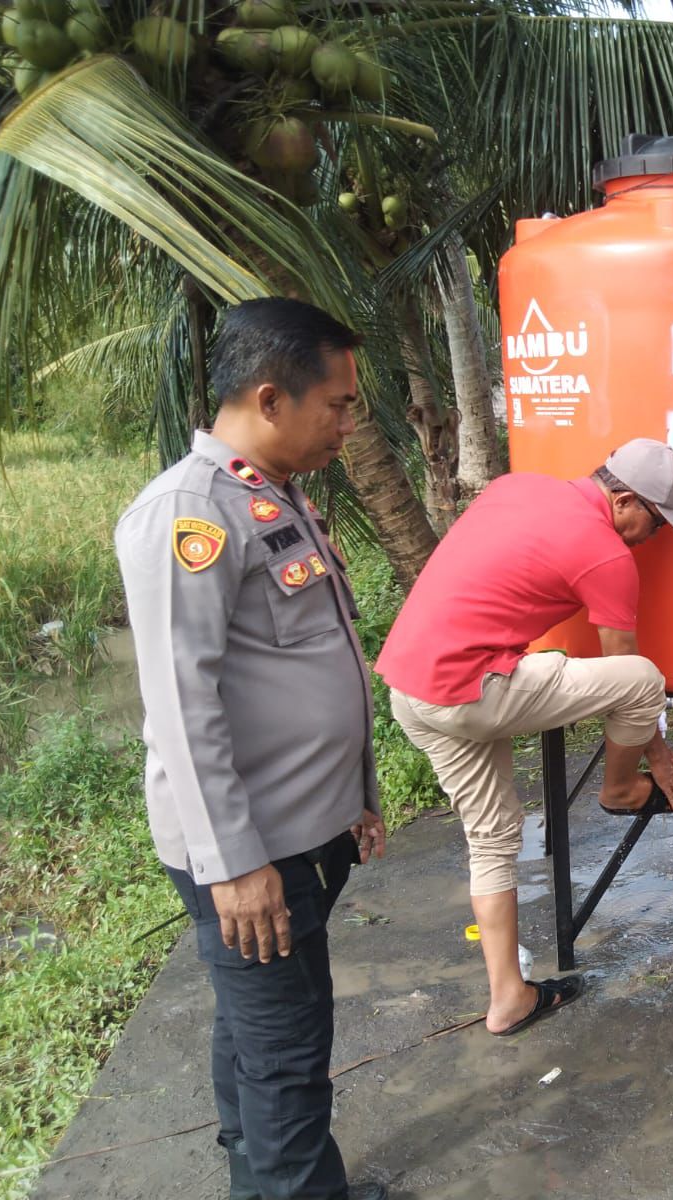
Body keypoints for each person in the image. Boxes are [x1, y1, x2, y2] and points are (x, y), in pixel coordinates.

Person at [115, 298, 388, 1199]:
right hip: (253, 849)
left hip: (304, 833)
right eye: (339, 405)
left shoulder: (271, 494)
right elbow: (182, 705)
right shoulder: (188, 513)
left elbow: (322, 652)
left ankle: (258, 1181)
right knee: (288, 1057)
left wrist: (360, 791)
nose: (349, 425)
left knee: (258, 1037)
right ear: (271, 398)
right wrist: (233, 866)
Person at [376, 438, 673, 1037]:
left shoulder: (517, 486)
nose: (649, 539)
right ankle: (619, 793)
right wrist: (658, 762)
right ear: (625, 500)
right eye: (654, 525)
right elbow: (626, 675)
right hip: (471, 688)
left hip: (412, 691)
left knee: (494, 833)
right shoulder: (607, 556)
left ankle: (509, 998)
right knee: (642, 678)